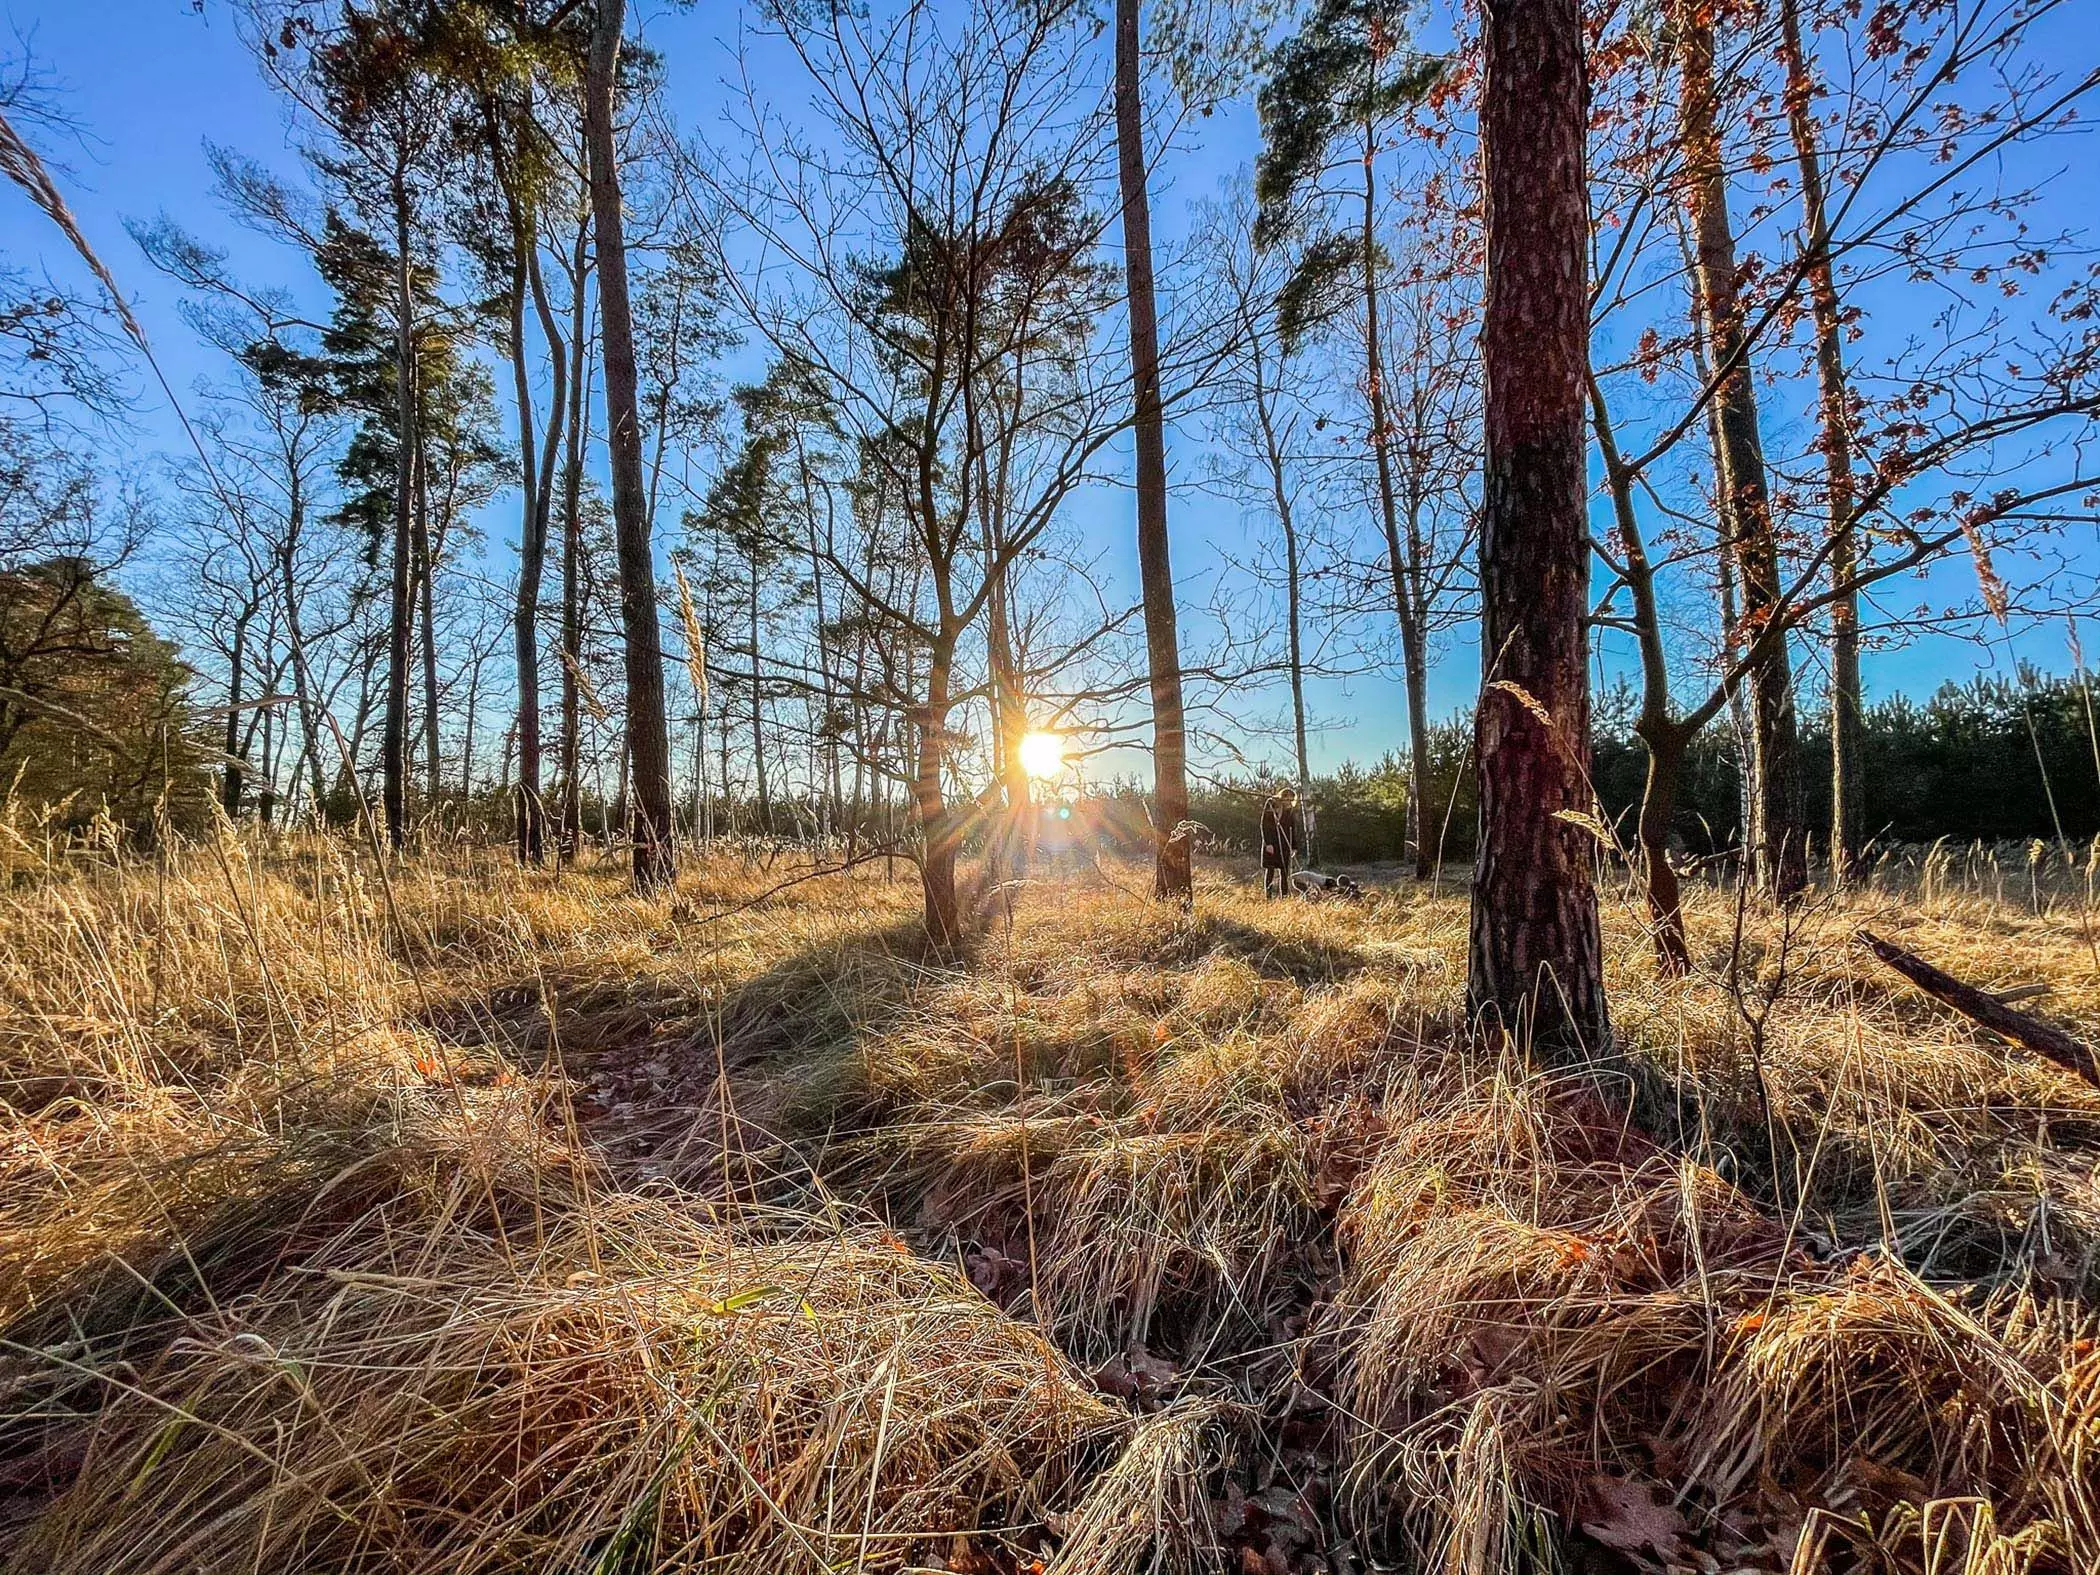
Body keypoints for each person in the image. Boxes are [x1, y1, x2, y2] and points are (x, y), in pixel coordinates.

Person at [1259, 787, 1302, 899]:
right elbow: (1264, 825)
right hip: (1272, 843)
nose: (1287, 800)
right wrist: (1268, 844)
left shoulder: (1290, 810)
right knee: (1270, 870)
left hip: (1284, 844)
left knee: (1284, 872)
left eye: (1290, 799)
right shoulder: (1271, 804)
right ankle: (1268, 896)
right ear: (1281, 796)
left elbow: (1292, 828)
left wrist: (1294, 846)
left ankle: (1285, 897)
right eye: (1286, 797)